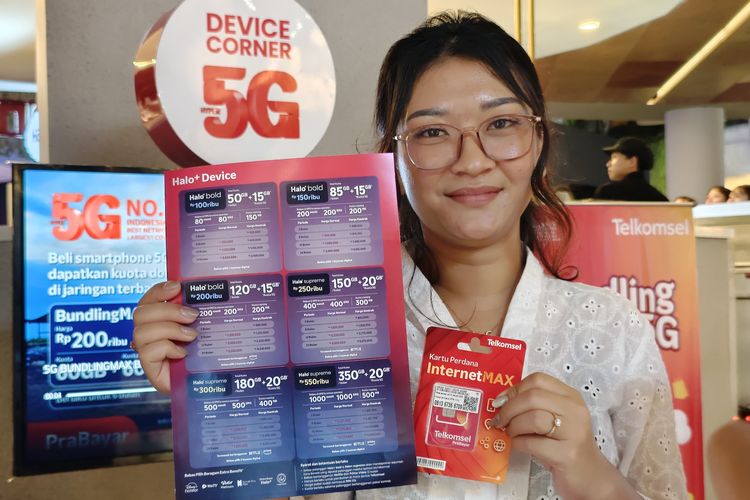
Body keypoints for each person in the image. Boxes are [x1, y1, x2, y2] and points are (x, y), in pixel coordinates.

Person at [132, 12, 687, 499]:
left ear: (538, 141)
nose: (472, 160)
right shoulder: (323, 326)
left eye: (501, 124)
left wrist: (589, 473)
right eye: (433, 132)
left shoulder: (613, 328)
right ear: (392, 159)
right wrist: (208, 395)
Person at [593, 137, 669, 202]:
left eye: (614, 157)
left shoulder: (608, 192)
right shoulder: (660, 199)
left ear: (632, 162)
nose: (608, 164)